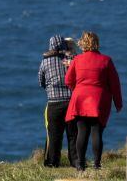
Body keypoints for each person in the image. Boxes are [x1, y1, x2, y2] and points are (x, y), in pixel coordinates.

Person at [65, 31, 123, 171]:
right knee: (97, 132)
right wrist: (118, 102)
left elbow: (68, 80)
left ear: (82, 43)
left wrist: (77, 89)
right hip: (98, 100)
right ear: (97, 43)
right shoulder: (106, 60)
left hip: (80, 99)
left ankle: (81, 164)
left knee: (82, 132)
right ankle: (97, 165)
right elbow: (115, 83)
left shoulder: (77, 60)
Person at [38, 35, 79, 168]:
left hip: (54, 103)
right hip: (71, 102)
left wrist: (50, 89)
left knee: (54, 135)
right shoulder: (72, 59)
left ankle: (52, 162)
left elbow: (41, 82)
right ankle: (76, 162)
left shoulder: (45, 62)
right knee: (73, 134)